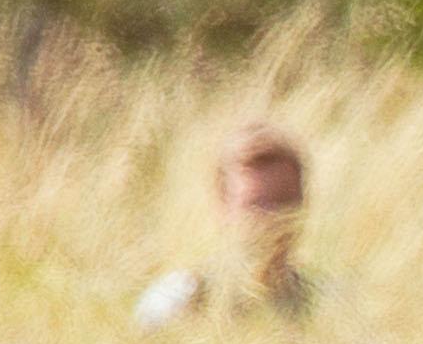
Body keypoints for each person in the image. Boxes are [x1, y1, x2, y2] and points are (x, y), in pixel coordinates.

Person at [134, 122, 314, 324]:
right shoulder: (176, 302)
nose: (270, 220)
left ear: (303, 205)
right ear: (223, 207)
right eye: (255, 206)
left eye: (283, 202)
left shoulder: (324, 306)